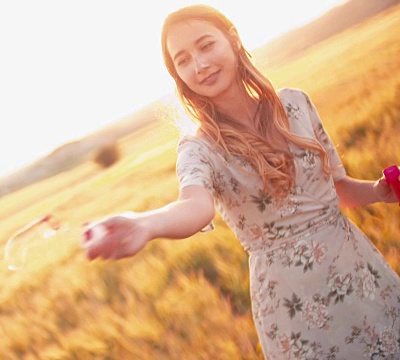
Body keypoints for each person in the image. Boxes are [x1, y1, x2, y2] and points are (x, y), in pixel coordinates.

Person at [82, 4, 400, 359]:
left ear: (232, 38)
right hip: (295, 307)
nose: (199, 65)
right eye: (183, 60)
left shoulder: (295, 104)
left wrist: (378, 191)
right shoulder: (199, 148)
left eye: (205, 45)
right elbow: (194, 206)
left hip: (358, 270)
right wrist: (145, 223)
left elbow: (336, 188)